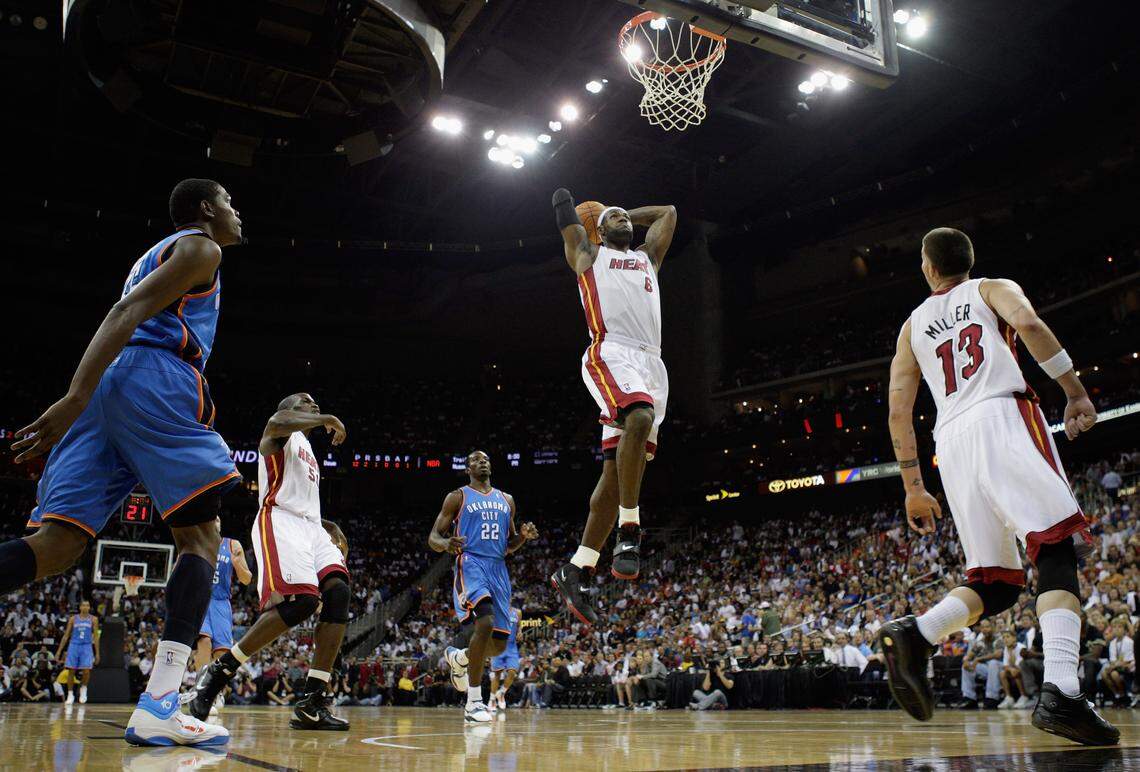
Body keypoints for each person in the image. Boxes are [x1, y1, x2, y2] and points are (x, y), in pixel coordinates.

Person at [5, 179, 242, 746]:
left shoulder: (151, 255)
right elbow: (128, 310)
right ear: (206, 209)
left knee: (56, 549)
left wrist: (89, 398)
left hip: (115, 383)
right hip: (152, 380)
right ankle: (161, 701)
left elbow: (128, 306)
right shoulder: (199, 247)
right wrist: (74, 396)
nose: (238, 213)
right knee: (201, 542)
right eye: (230, 202)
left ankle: (163, 703)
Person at [877, 227, 1118, 745]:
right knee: (1055, 549)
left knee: (998, 583)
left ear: (927, 267)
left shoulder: (911, 326)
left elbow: (899, 411)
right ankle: (1062, 690)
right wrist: (1074, 392)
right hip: (1003, 416)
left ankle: (915, 634)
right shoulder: (990, 287)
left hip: (951, 442)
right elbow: (1028, 322)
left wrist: (914, 487)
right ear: (968, 260)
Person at [548, 190, 677, 625]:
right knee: (638, 415)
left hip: (651, 361)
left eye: (626, 216)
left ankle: (578, 565)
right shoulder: (588, 255)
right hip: (611, 352)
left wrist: (620, 212)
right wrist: (586, 214)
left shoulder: (647, 259)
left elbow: (668, 211)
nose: (623, 218)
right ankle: (629, 530)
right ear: (597, 231)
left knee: (617, 470)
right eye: (612, 218)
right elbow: (564, 208)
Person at [188, 393, 352, 731]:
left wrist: (325, 525)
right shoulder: (280, 430)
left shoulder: (308, 450)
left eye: (317, 404)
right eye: (307, 402)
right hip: (280, 520)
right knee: (304, 601)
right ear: (290, 409)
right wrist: (325, 419)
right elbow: (278, 423)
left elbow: (304, 500)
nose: (316, 405)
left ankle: (313, 699)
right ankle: (220, 671)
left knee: (338, 593)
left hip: (311, 527)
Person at [428, 450, 538, 723]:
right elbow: (433, 537)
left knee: (499, 646)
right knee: (485, 622)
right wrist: (445, 544)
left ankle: (460, 657)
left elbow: (509, 544)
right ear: (467, 469)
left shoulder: (507, 500)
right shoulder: (458, 497)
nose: (483, 462)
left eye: (486, 459)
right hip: (472, 563)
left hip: (498, 568)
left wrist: (522, 538)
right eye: (476, 460)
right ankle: (474, 702)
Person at [185, 517, 252, 718]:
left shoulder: (232, 544)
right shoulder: (198, 542)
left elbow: (246, 579)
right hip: (201, 598)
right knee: (204, 641)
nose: (215, 521)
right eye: (211, 519)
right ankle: (200, 690)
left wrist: (237, 563)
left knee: (222, 652)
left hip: (222, 602)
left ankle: (217, 692)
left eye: (218, 519)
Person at [55, 600, 99, 704]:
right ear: (80, 607)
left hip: (87, 645)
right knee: (71, 670)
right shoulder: (73, 619)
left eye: (87, 605)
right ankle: (70, 694)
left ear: (89, 607)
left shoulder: (93, 619)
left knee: (86, 670)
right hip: (74, 645)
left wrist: (97, 653)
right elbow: (66, 636)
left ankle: (83, 688)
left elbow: (96, 637)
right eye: (83, 605)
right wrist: (59, 651)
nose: (85, 607)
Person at [488, 606, 521, 711]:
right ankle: (492, 699)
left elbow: (519, 626)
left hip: (511, 647)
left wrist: (519, 632)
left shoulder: (517, 612)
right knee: (497, 675)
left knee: (512, 672)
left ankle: (501, 693)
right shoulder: (495, 610)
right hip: (498, 645)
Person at [998, 630, 1027, 710]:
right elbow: (1005, 665)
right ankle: (1009, 698)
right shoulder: (1006, 649)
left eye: (1008, 637)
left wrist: (1011, 668)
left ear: (1014, 638)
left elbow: (1019, 665)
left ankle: (1024, 696)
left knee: (1015, 672)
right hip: (1013, 670)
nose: (1005, 639)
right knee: (1002, 673)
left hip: (1024, 671)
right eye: (1003, 637)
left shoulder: (1021, 647)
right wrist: (1010, 669)